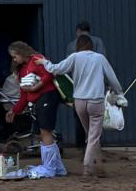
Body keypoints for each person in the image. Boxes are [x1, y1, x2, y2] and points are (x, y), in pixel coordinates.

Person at [46, 33, 122, 177]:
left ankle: (99, 167)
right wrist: (119, 93)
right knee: (94, 137)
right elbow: (112, 78)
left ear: (78, 46)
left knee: (90, 135)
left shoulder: (74, 57)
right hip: (96, 101)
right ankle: (87, 167)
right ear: (91, 45)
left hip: (79, 101)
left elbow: (56, 69)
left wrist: (44, 62)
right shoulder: (100, 58)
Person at [6, 41, 67, 178]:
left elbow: (49, 74)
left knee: (45, 131)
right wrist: (14, 110)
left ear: (21, 52)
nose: (14, 59)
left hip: (47, 97)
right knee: (42, 133)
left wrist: (36, 87)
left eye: (15, 55)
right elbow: (24, 94)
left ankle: (50, 167)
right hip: (37, 101)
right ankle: (57, 167)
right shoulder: (22, 70)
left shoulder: (37, 59)